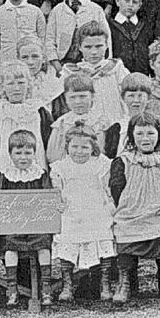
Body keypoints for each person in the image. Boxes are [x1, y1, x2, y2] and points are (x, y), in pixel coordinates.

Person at [109, 112, 160, 304]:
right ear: (132, 136)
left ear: (159, 136)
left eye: (150, 134)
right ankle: (124, 282)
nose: (145, 139)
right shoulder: (123, 160)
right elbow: (116, 188)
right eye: (140, 134)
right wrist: (130, 205)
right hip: (133, 211)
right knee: (124, 229)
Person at [50, 125, 116, 302]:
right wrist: (59, 204)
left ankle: (105, 283)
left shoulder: (101, 164)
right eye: (74, 147)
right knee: (66, 237)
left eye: (84, 147)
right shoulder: (60, 167)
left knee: (103, 234)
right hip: (71, 211)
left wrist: (111, 207)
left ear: (93, 148)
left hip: (96, 209)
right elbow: (56, 193)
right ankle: (67, 284)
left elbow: (108, 190)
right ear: (67, 147)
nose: (79, 151)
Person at [0, 129, 55, 307]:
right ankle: (11, 287)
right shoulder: (4, 176)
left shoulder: (41, 175)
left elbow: (48, 198)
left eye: (28, 153)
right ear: (10, 154)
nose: (23, 157)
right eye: (18, 153)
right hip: (13, 226)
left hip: (37, 225)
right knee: (10, 247)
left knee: (43, 244)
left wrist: (53, 205)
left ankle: (46, 286)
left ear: (34, 153)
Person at [0, 61, 53, 174]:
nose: (16, 88)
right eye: (10, 84)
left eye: (21, 83)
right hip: (3, 163)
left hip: (35, 163)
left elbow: (49, 141)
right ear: (2, 86)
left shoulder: (38, 110)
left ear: (29, 84)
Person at [46, 0, 110, 68]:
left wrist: (104, 62)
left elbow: (107, 38)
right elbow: (49, 39)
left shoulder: (96, 10)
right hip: (63, 63)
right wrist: (55, 61)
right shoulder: (57, 11)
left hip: (90, 63)